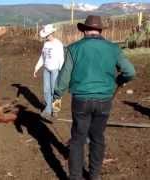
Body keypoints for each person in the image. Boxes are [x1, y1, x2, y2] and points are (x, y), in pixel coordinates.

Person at [53, 15, 135, 180]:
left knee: (78, 139)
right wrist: (120, 80)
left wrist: (57, 94)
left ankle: (75, 177)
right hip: (104, 100)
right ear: (100, 31)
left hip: (81, 100)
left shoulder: (73, 48)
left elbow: (63, 78)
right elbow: (130, 72)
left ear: (84, 30)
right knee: (98, 137)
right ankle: (94, 176)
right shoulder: (113, 48)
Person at [33, 24, 64, 119]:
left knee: (55, 90)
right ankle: (48, 109)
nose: (46, 37)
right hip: (46, 69)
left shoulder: (58, 43)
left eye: (47, 35)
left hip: (55, 69)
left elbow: (61, 58)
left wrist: (61, 70)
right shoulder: (46, 44)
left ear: (51, 33)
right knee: (46, 90)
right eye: (45, 35)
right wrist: (36, 67)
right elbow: (43, 57)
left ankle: (55, 110)